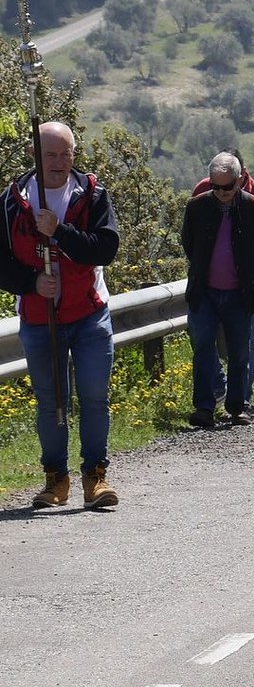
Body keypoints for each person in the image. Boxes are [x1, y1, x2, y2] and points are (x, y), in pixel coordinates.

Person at [0, 122, 120, 510]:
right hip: (39, 318)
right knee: (51, 401)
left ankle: (95, 478)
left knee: (94, 397)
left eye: (65, 153)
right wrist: (33, 282)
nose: (59, 161)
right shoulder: (11, 200)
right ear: (36, 155)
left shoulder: (93, 194)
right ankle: (56, 479)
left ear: (74, 154)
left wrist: (60, 231)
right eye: (50, 154)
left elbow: (105, 249)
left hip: (88, 315)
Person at [182, 152, 254, 429]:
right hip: (205, 292)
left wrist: (248, 274)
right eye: (215, 186)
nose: (221, 192)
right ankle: (204, 407)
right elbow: (189, 243)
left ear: (239, 180)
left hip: (239, 292)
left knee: (239, 352)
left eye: (227, 186)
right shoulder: (196, 207)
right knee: (202, 348)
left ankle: (238, 406)